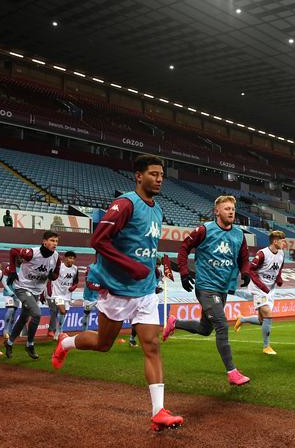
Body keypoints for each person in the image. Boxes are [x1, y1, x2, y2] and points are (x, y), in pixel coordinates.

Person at [51, 154, 184, 431]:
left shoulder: (157, 210)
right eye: (153, 174)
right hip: (118, 289)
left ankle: (158, 411)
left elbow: (143, 246)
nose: (159, 179)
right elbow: (98, 240)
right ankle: (65, 343)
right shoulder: (125, 204)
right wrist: (130, 265)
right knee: (103, 344)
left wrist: (157, 265)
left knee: (152, 345)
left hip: (146, 291)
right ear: (138, 176)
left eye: (161, 175)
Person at [163, 195, 252, 385]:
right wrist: (185, 273)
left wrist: (245, 273)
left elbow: (244, 259)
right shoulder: (204, 230)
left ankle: (174, 322)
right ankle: (232, 372)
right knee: (221, 325)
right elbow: (184, 248)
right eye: (226, 208)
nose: (231, 212)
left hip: (223, 288)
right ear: (217, 211)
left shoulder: (239, 234)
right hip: (206, 287)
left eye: (233, 209)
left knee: (205, 329)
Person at [4, 230, 61, 360]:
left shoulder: (56, 257)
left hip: (36, 291)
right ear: (44, 241)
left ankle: (9, 343)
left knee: (24, 318)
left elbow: (55, 275)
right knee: (36, 314)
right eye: (52, 240)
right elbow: (13, 251)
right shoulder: (31, 253)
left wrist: (52, 276)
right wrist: (13, 270)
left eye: (56, 241)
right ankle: (30, 344)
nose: (55, 243)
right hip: (22, 287)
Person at [234, 231, 286, 355]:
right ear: (275, 241)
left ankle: (242, 319)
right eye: (282, 240)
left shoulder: (281, 254)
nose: (284, 243)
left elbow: (279, 269)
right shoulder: (262, 254)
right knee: (268, 313)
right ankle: (266, 346)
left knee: (263, 321)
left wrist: (279, 279)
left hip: (270, 290)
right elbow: (250, 270)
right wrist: (261, 286)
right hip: (258, 289)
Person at [48, 251, 79, 340]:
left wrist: (74, 287)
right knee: (62, 310)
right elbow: (51, 277)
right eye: (70, 258)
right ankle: (59, 332)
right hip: (57, 294)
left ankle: (58, 332)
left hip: (67, 295)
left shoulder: (75, 269)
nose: (71, 260)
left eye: (73, 258)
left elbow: (76, 281)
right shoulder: (59, 267)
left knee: (64, 313)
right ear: (65, 258)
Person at [2, 264, 20, 339]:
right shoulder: (10, 267)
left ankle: (10, 331)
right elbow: (3, 280)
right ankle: (5, 331)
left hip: (18, 294)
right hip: (9, 293)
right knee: (10, 309)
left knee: (13, 313)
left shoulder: (25, 267)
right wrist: (9, 290)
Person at [81, 264, 100, 331]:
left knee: (104, 313)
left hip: (99, 297)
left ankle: (103, 333)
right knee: (87, 313)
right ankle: (84, 332)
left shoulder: (104, 268)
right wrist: (101, 288)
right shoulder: (90, 267)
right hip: (88, 297)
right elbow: (88, 284)